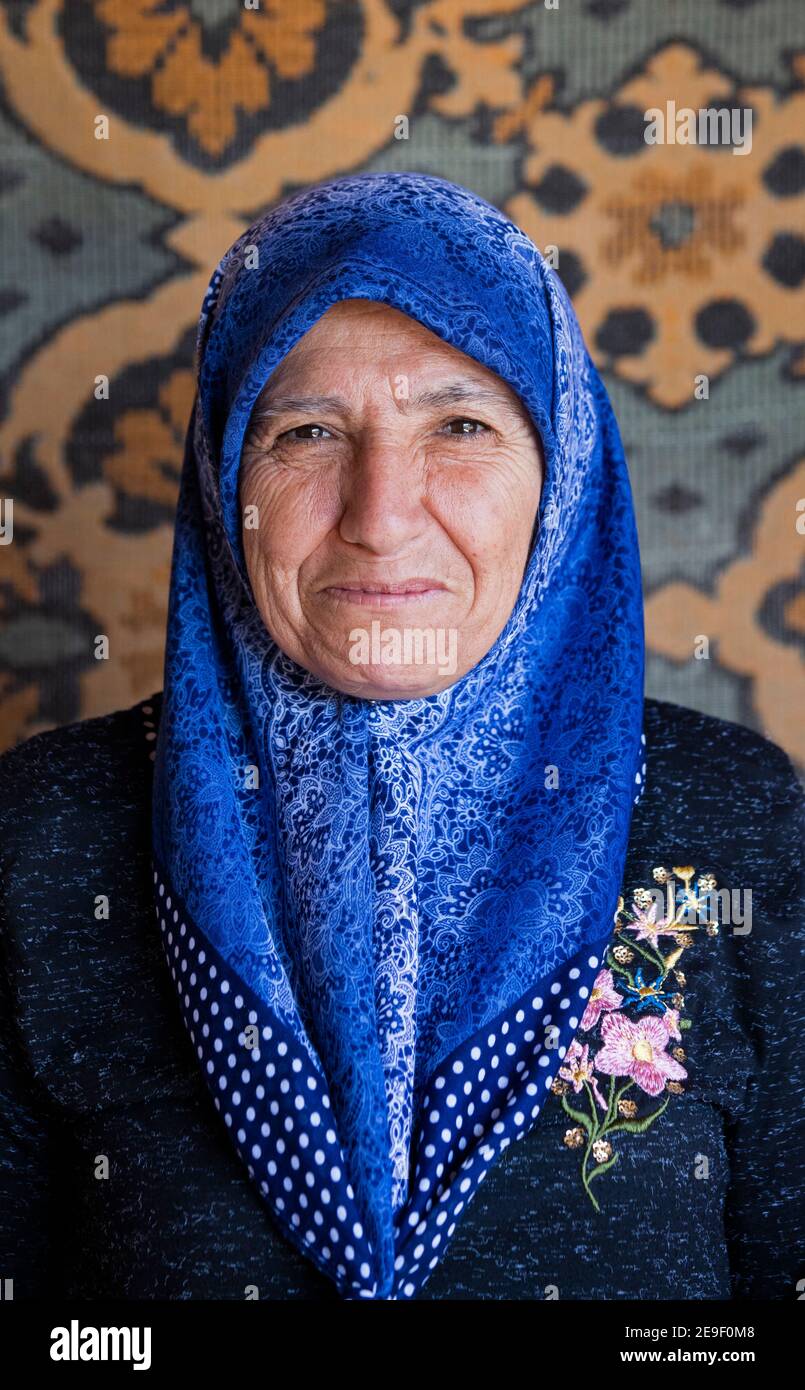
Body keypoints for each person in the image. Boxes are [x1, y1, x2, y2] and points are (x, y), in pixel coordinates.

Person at [0, 172, 802, 1302]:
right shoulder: (48, 830)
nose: (380, 511)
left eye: (461, 425)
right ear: (225, 475)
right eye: (307, 431)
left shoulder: (736, 817)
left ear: (560, 477)